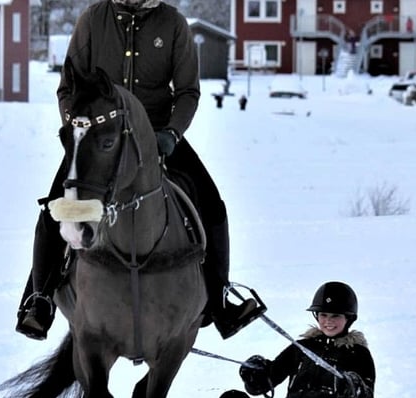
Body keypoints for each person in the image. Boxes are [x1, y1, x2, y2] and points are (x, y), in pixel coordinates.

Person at [15, 0, 264, 341]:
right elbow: (68, 88)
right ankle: (40, 299)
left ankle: (221, 300)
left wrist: (172, 134)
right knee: (56, 208)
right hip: (99, 138)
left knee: (212, 205)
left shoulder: (173, 23)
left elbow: (188, 91)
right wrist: (81, 130)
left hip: (158, 135)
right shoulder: (93, 20)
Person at [217, 281, 375, 398]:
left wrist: (353, 385)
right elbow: (267, 381)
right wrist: (255, 374)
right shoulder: (302, 347)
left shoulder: (358, 354)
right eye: (323, 315)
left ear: (349, 318)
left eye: (335, 315)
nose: (328, 321)